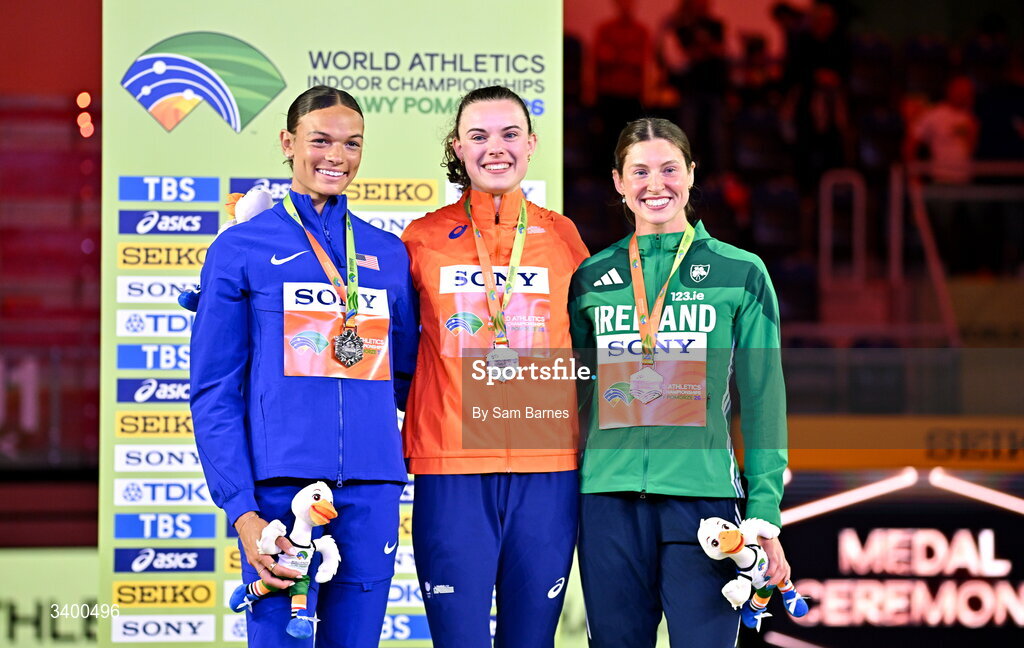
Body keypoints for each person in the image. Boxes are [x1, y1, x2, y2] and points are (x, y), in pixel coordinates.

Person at [190, 85, 418, 647]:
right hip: (278, 497)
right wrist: (242, 512)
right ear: (289, 143)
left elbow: (413, 377)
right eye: (320, 140)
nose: (335, 156)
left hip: (371, 491)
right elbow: (214, 392)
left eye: (351, 144)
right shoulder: (240, 248)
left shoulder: (387, 253)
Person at [569, 118, 790, 647]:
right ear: (618, 182)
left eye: (669, 169)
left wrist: (763, 515)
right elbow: (572, 399)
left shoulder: (742, 272)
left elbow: (763, 401)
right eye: (639, 171)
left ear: (691, 175)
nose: (655, 184)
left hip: (704, 503)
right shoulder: (590, 278)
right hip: (608, 504)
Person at [401, 85, 589, 647]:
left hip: (547, 468)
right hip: (452, 464)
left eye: (510, 134)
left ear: (531, 144)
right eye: (478, 136)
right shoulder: (422, 238)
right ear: (457, 147)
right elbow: (395, 350)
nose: (495, 148)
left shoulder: (562, 236)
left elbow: (594, 345)